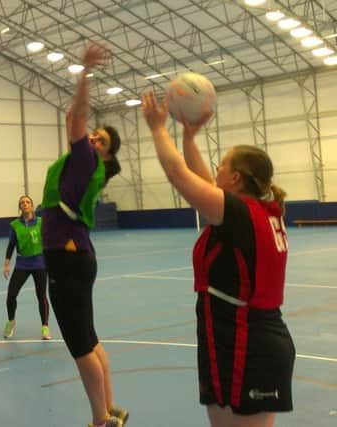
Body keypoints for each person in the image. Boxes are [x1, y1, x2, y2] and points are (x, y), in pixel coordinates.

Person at [141, 91, 295, 427]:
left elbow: (180, 176)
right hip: (235, 338)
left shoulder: (239, 215)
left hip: (246, 343)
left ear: (236, 177)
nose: (216, 170)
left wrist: (157, 128)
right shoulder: (253, 211)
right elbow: (201, 179)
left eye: (222, 165)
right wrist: (188, 136)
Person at [40, 43, 128, 427]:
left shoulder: (86, 160)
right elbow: (72, 119)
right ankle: (109, 408)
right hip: (79, 256)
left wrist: (86, 73)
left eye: (102, 141)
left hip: (67, 255)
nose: (93, 139)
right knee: (90, 339)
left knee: (79, 347)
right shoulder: (88, 164)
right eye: (95, 135)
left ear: (105, 156)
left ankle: (99, 420)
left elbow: (75, 118)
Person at [2, 195, 50, 340]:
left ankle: (45, 327)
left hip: (40, 263)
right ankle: (11, 322)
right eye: (22, 203)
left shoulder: (41, 222)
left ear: (32, 206)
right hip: (22, 264)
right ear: (20, 207)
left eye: (27, 202)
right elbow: (11, 245)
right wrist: (7, 263)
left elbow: (49, 240)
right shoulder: (15, 225)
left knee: (41, 296)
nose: (25, 204)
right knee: (11, 295)